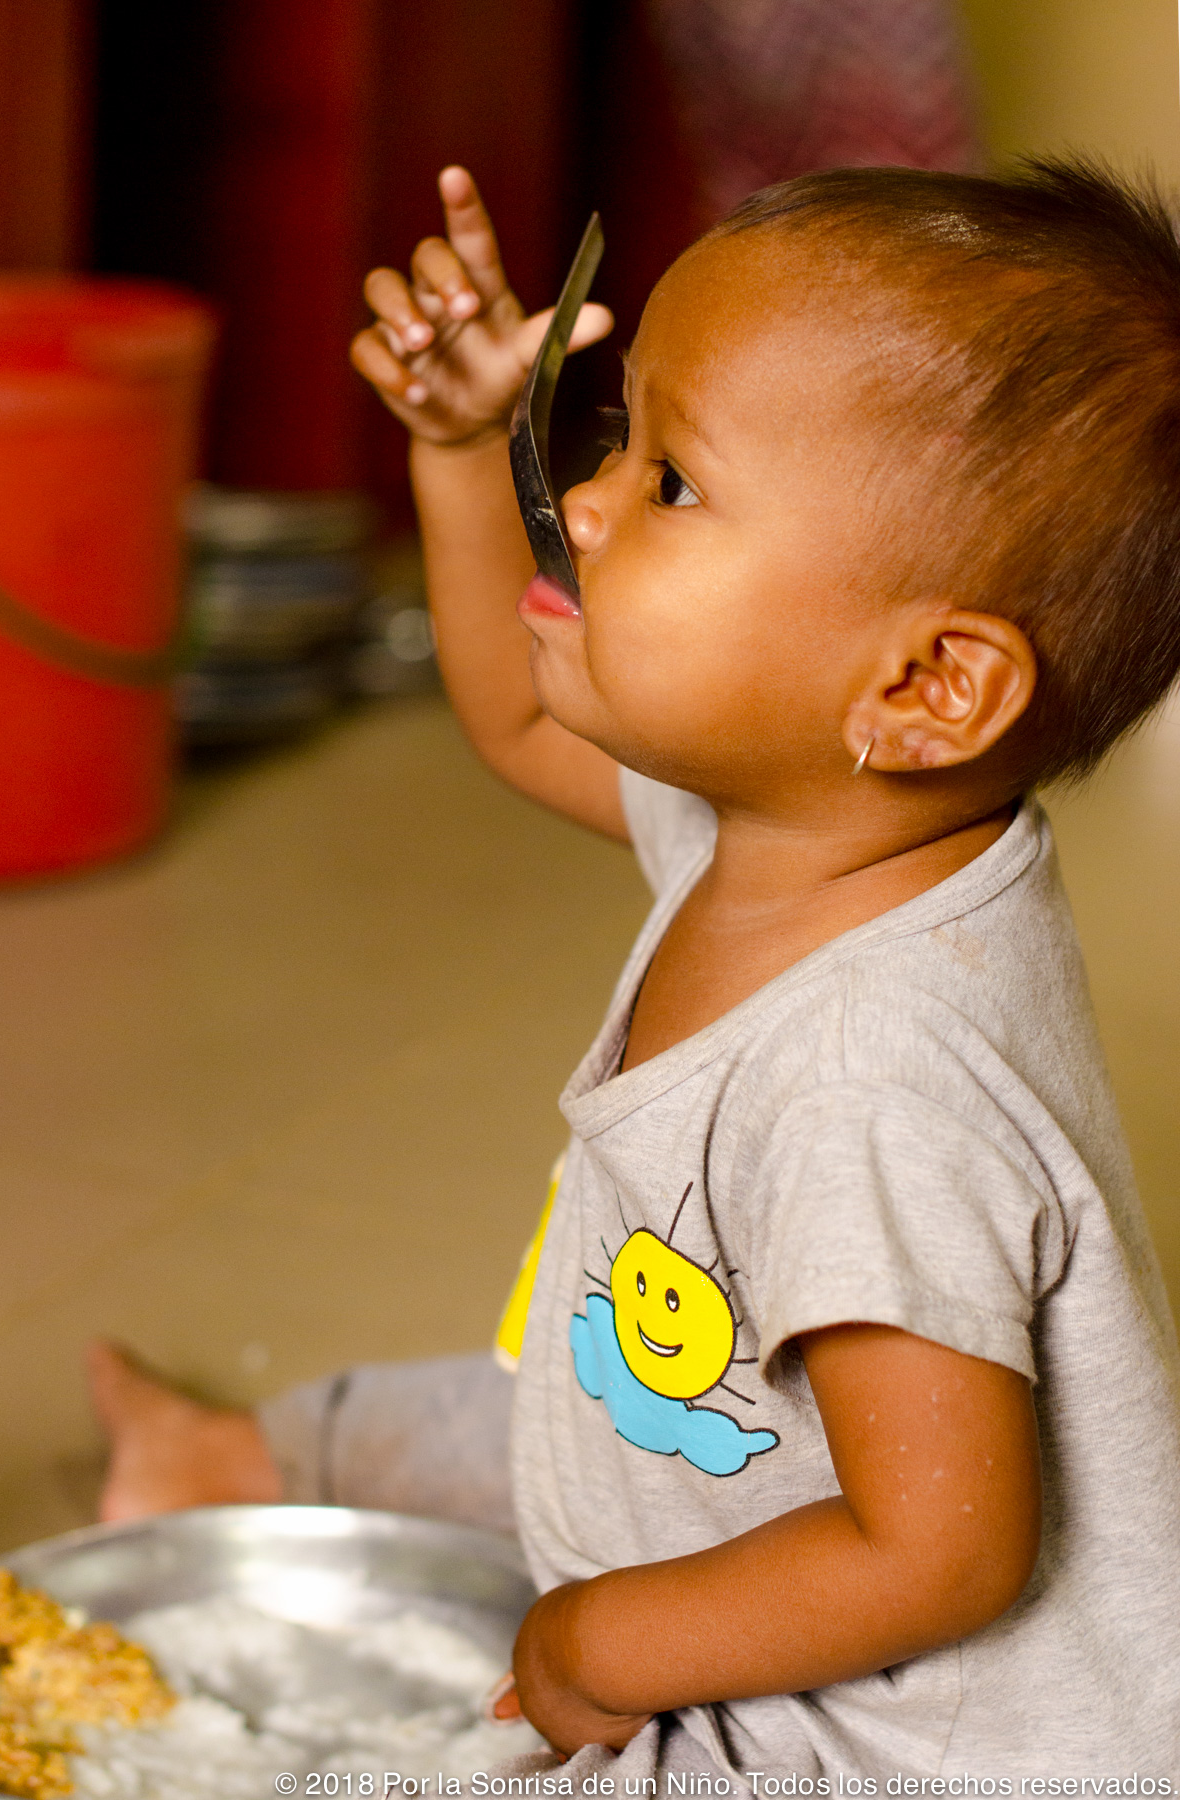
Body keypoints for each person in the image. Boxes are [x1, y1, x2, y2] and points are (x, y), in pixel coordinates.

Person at [91, 159, 1180, 1778]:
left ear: (929, 685)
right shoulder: (818, 817)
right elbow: (525, 713)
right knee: (516, 1403)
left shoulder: (878, 1080)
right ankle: (228, 1455)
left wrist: (599, 1638)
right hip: (716, 1435)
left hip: (883, 1747)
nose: (588, 499)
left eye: (672, 485)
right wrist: (467, 449)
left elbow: (943, 1552)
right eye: (614, 442)